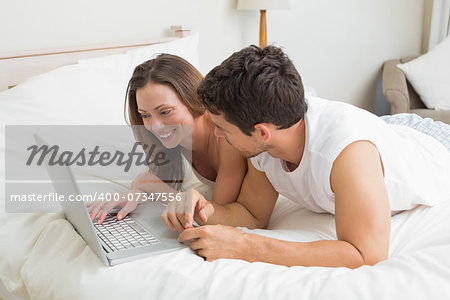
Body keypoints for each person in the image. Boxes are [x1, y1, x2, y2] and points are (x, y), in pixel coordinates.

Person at [166, 45, 450, 268]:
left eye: (222, 128)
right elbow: (252, 214)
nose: (217, 135)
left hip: (435, 143)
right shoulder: (265, 145)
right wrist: (204, 207)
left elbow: (366, 254)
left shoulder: (348, 154)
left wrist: (246, 246)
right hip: (391, 130)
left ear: (262, 132)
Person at [87, 54, 247, 228]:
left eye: (165, 112)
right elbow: (157, 179)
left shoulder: (226, 134)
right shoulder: (178, 137)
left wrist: (149, 184)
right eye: (145, 115)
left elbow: (213, 216)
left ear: (192, 97)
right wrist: (137, 193)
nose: (155, 127)